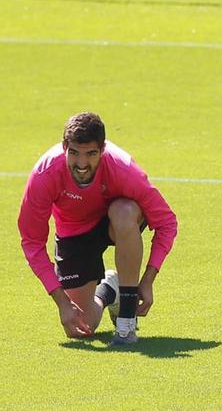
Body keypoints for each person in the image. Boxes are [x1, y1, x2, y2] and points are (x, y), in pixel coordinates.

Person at [18, 112, 178, 345]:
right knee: (81, 325)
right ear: (64, 147)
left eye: (91, 154)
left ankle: (126, 322)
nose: (82, 165)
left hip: (115, 223)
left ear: (102, 149)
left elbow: (166, 223)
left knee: (123, 211)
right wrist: (62, 303)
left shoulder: (123, 168)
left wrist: (148, 279)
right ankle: (110, 289)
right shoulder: (44, 174)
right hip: (74, 231)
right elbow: (31, 242)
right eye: (74, 153)